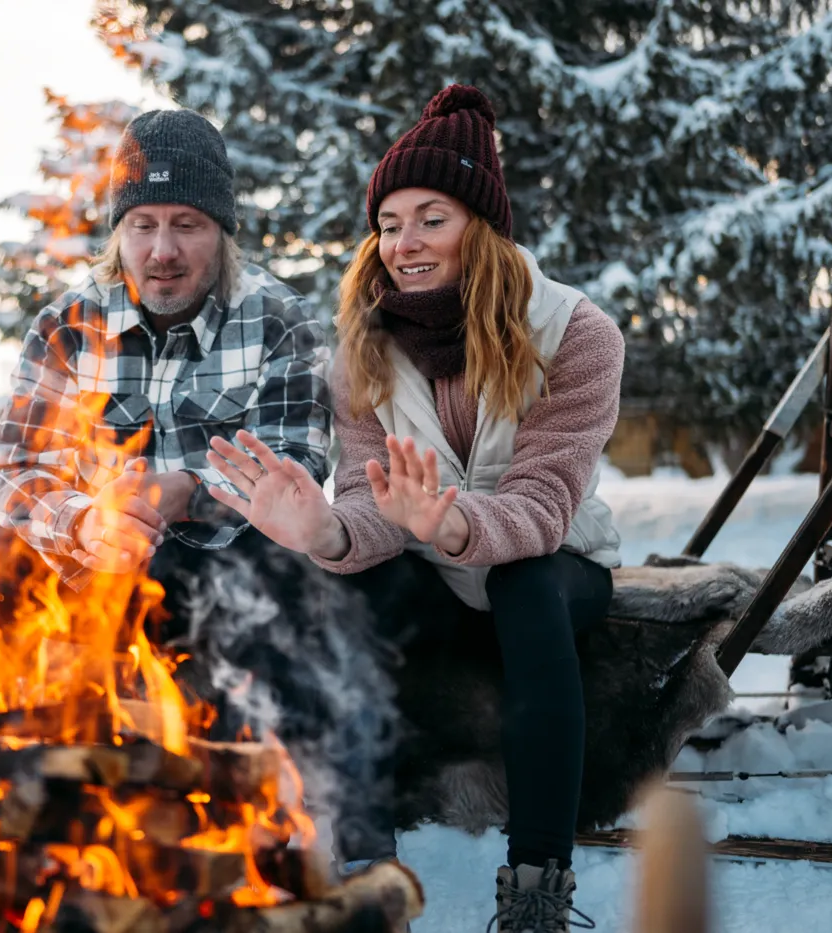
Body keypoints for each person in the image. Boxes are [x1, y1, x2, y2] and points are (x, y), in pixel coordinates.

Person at [204, 85, 624, 933]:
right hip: (431, 567)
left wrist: (455, 523)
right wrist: (325, 531)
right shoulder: (363, 352)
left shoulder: (577, 335)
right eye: (390, 223)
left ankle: (538, 884)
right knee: (341, 592)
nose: (404, 244)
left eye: (431, 218)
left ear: (483, 225)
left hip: (553, 559)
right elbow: (368, 501)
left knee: (527, 585)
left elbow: (545, 502)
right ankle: (366, 868)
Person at [0, 107, 332, 699]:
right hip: (89, 559)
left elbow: (295, 465)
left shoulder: (282, 321)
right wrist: (84, 520)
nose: (162, 250)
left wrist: (186, 492)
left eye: (187, 224)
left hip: (222, 564)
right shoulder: (66, 326)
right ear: (119, 233)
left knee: (283, 586)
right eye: (143, 225)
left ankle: (235, 763)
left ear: (222, 231)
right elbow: (16, 473)